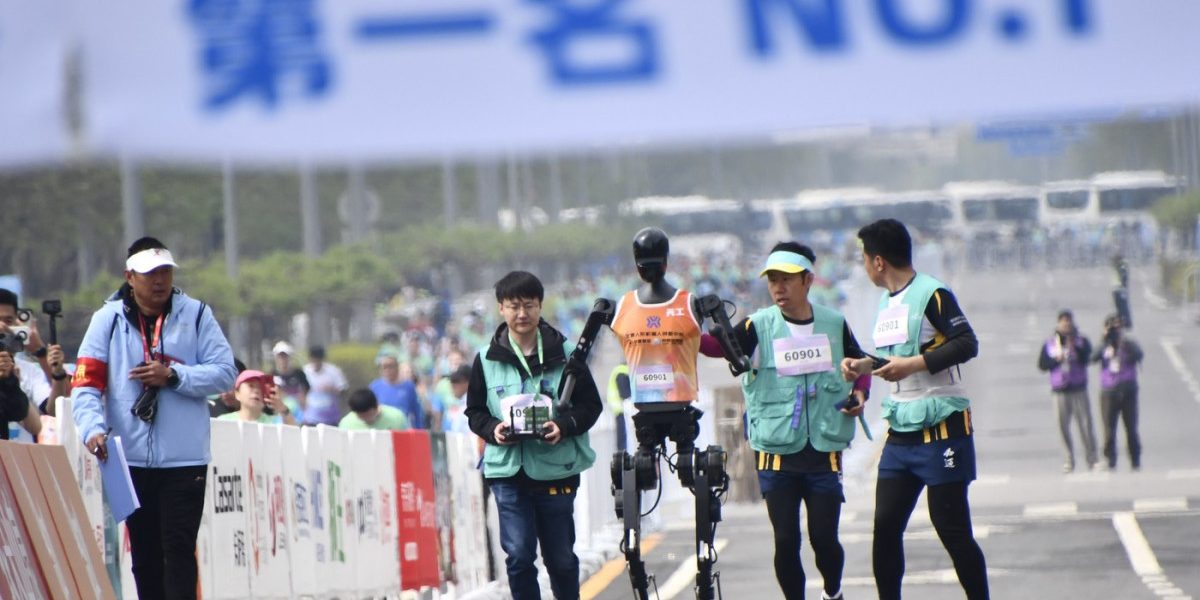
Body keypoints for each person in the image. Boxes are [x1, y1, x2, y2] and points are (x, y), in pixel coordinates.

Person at [71, 236, 236, 600]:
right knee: (144, 555)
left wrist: (175, 377)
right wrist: (92, 429)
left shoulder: (196, 314)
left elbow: (226, 373)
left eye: (165, 271)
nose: (160, 281)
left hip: (186, 459)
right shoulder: (106, 321)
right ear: (130, 276)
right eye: (150, 274)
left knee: (178, 550)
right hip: (129, 460)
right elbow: (85, 384)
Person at [840, 219, 989, 600]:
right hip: (901, 432)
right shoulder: (887, 304)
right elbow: (896, 360)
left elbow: (967, 343)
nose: (862, 265)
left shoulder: (933, 293)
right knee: (885, 526)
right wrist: (864, 365)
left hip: (943, 429)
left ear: (877, 262)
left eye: (863, 257)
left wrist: (916, 364)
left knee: (951, 528)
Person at [721, 242, 870, 600]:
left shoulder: (834, 324)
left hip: (822, 452)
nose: (778, 288)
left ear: (808, 280)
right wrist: (694, 328)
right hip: (776, 453)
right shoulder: (758, 325)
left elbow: (860, 363)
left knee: (824, 540)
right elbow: (718, 347)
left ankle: (833, 593)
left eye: (786, 280)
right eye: (772, 280)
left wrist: (861, 394)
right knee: (786, 540)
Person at [464, 270, 602, 600]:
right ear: (501, 309)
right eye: (513, 306)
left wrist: (564, 427)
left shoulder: (569, 353)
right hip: (507, 472)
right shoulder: (485, 359)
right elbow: (475, 412)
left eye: (529, 305)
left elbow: (590, 406)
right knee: (519, 556)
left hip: (555, 469)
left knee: (562, 560)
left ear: (540, 306)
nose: (521, 314)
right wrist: (493, 431)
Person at [1037, 309, 1098, 473]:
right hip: (1060, 391)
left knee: (1085, 425)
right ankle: (1068, 460)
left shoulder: (1081, 340)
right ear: (1059, 324)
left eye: (1069, 321)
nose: (1066, 324)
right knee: (1062, 427)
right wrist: (1056, 360)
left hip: (1078, 388)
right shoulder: (1050, 343)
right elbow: (1042, 364)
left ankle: (1092, 459)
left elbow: (1087, 358)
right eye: (1063, 321)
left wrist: (1074, 348)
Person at [0, 288, 69, 417]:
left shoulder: (29, 371)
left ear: (17, 323)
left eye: (8, 321)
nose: (2, 327)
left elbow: (53, 410)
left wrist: (58, 375)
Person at [1092, 314, 1143, 470]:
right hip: (1109, 391)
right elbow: (1092, 357)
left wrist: (1123, 343)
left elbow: (1139, 355)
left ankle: (1135, 460)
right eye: (1113, 326)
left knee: (1131, 428)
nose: (1117, 329)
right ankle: (1110, 460)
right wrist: (1105, 339)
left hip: (1128, 390)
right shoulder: (1104, 346)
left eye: (1119, 326)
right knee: (1108, 429)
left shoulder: (1129, 344)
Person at [217, 370, 296, 425]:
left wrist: (282, 408)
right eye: (251, 386)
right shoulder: (223, 421)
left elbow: (293, 436)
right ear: (237, 394)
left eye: (261, 388)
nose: (257, 391)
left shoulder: (273, 423)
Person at [369, 355, 424, 429]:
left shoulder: (408, 387)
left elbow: (416, 410)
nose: (387, 370)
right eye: (384, 367)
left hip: (402, 428)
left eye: (390, 366)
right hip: (382, 429)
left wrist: (419, 429)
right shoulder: (375, 386)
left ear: (397, 367)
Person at [301, 346, 347, 426]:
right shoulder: (305, 371)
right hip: (310, 419)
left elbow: (343, 390)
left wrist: (331, 389)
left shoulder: (333, 371)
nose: (315, 362)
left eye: (318, 360)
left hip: (331, 419)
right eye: (313, 359)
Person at [338, 388, 410, 431]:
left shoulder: (396, 418)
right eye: (362, 417)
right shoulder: (346, 425)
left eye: (369, 415)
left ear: (377, 405)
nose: (367, 419)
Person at [270, 341, 309, 416]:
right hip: (279, 413)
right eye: (280, 356)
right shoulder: (272, 375)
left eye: (285, 356)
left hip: (299, 412)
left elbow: (305, 391)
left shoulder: (299, 373)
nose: (282, 359)